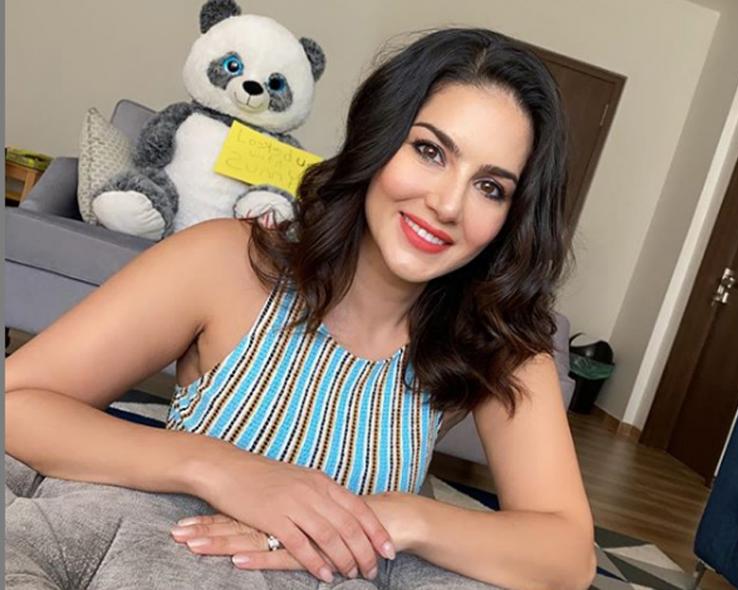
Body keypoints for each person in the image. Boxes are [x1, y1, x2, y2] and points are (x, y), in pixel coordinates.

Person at [5, 27, 596, 590]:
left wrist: (403, 517)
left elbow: (569, 555)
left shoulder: (497, 341)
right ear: (378, 139)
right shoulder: (227, 261)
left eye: (491, 187)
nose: (447, 205)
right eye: (429, 151)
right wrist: (218, 467)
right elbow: (15, 401)